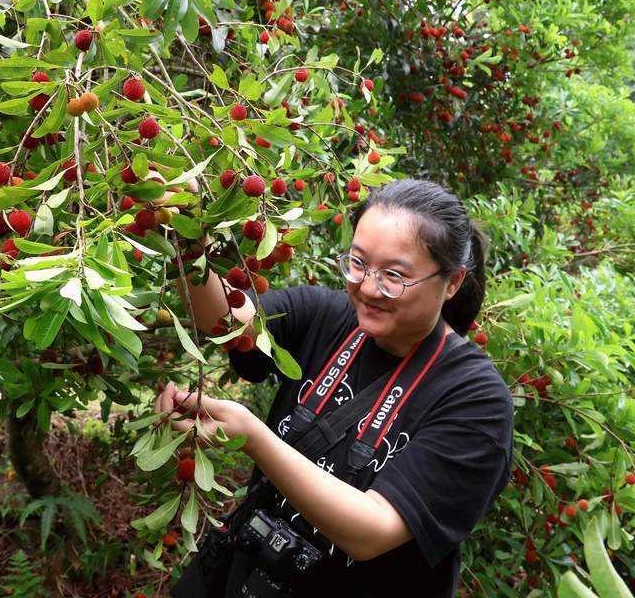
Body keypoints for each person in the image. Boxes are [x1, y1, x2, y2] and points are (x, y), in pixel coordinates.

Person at [156, 179, 514, 598]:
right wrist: (184, 233)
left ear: (451, 282)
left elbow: (372, 529)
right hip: (242, 574)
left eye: (393, 276)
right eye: (358, 263)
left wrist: (254, 438)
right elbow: (228, 324)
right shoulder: (327, 315)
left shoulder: (477, 402)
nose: (365, 287)